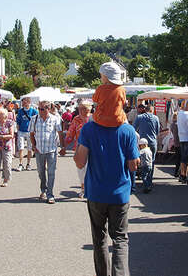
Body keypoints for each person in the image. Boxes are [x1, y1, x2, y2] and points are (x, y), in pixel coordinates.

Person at [74, 115, 140, 276]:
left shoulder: (88, 129)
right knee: (120, 239)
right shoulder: (128, 130)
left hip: (96, 193)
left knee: (99, 238)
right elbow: (133, 166)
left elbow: (80, 161)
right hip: (119, 194)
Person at [29, 100, 66, 204]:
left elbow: (60, 133)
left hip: (51, 150)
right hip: (39, 150)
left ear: (48, 109)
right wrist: (34, 146)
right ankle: (43, 189)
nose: (40, 111)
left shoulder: (55, 119)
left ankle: (50, 194)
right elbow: (31, 134)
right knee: (41, 172)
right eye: (39, 109)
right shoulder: (34, 119)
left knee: (51, 172)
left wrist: (62, 147)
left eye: (42, 109)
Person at [65, 100, 93, 198]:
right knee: (81, 169)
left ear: (89, 109)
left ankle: (90, 189)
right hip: (79, 147)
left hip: (93, 148)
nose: (81, 110)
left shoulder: (94, 118)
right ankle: (83, 188)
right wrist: (64, 144)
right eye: (79, 108)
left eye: (83, 108)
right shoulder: (76, 119)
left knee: (91, 168)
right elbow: (70, 132)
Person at [133, 105, 160, 192]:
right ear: (152, 110)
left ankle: (144, 182)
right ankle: (149, 182)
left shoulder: (139, 117)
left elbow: (134, 129)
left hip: (142, 143)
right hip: (152, 142)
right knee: (151, 162)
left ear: (145, 110)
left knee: (141, 162)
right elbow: (157, 130)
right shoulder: (156, 118)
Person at [92, 62, 127, 127]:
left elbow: (95, 103)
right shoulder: (122, 89)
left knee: (88, 123)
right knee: (131, 130)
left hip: (100, 120)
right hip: (118, 120)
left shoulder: (100, 89)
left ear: (106, 77)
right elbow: (124, 104)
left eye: (101, 76)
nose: (100, 78)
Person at [0, 107, 15, 187]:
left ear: (4, 115)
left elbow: (11, 135)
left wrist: (2, 137)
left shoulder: (9, 123)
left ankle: (5, 179)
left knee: (7, 163)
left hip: (6, 146)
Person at [16, 97, 38, 171]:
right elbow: (18, 121)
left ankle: (28, 164)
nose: (22, 104)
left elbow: (37, 121)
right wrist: (18, 131)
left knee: (29, 148)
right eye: (22, 102)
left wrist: (35, 131)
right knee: (21, 148)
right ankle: (20, 164)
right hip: (21, 131)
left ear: (28, 102)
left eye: (24, 102)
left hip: (30, 132)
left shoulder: (34, 111)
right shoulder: (20, 111)